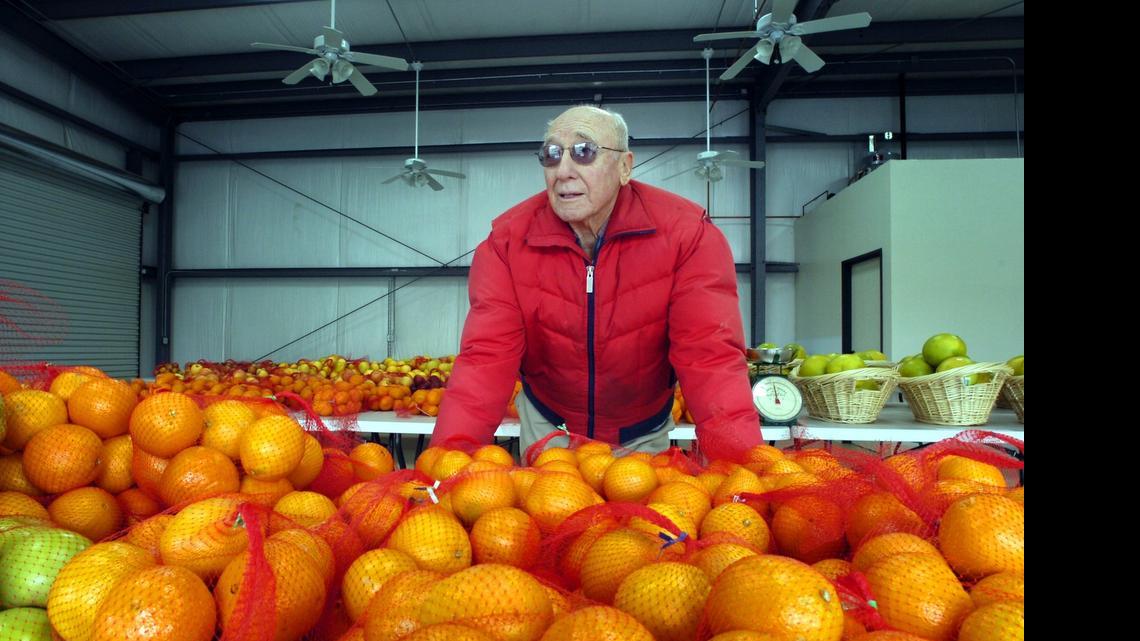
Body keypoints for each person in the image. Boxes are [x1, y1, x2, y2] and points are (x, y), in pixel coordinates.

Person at [431, 104, 761, 462]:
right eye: (552, 155)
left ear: (624, 167)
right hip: (549, 427)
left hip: (641, 431)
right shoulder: (506, 245)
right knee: (546, 515)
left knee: (638, 514)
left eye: (584, 152)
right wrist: (447, 460)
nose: (563, 171)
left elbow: (710, 356)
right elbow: (485, 359)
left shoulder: (688, 236)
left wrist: (740, 466)